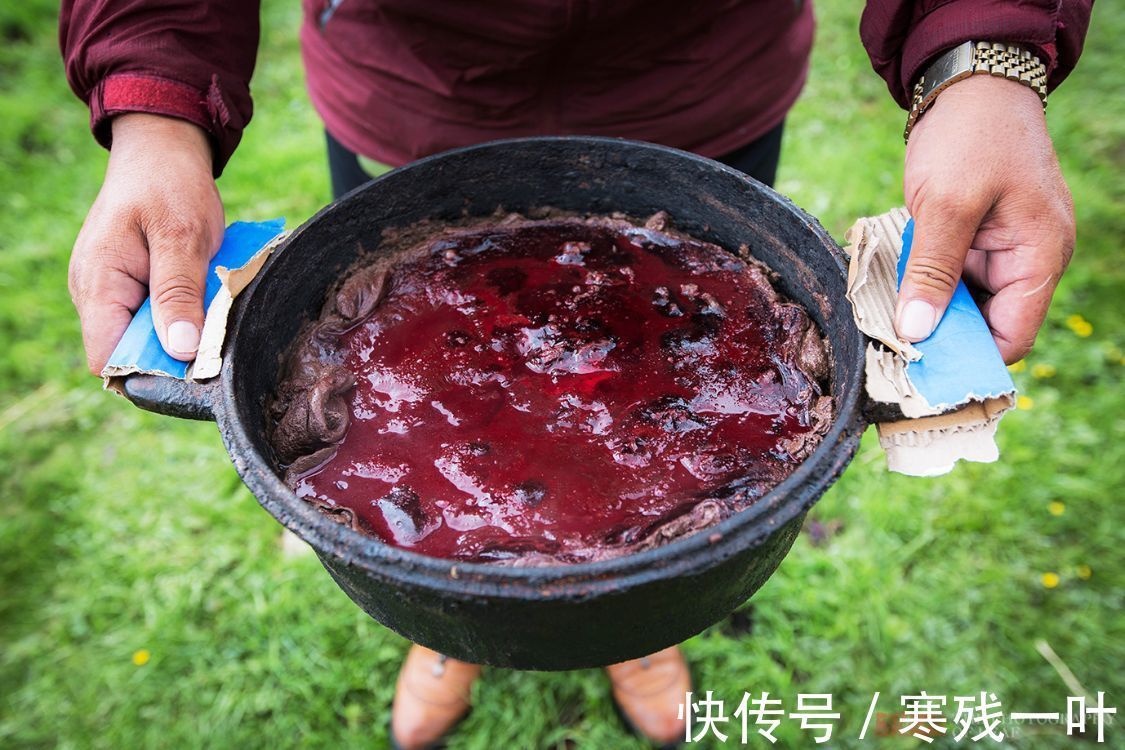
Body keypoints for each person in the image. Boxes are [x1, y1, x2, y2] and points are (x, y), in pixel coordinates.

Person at [60, 1, 1091, 747]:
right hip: (413, 90)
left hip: (703, 86)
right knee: (410, 409)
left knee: (672, 467)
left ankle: (636, 634)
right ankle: (451, 630)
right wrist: (154, 109)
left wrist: (984, 57)